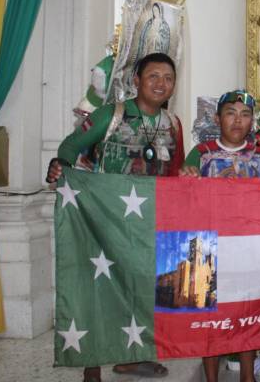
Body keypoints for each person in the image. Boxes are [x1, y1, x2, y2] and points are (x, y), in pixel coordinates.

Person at [47, 52, 183, 382]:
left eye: (167, 78)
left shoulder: (172, 125)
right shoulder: (113, 114)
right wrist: (60, 165)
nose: (160, 83)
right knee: (100, 291)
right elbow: (71, 145)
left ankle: (130, 357)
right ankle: (91, 367)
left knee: (144, 288)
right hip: (105, 221)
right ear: (136, 81)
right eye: (153, 76)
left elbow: (177, 172)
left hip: (150, 223)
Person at [180, 89, 260, 382]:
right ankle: (211, 378)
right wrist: (185, 177)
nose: (238, 120)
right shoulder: (201, 153)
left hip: (248, 248)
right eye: (231, 113)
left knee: (248, 311)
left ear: (252, 121)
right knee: (209, 318)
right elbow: (178, 187)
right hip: (208, 247)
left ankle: (247, 376)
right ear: (218, 118)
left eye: (245, 114)